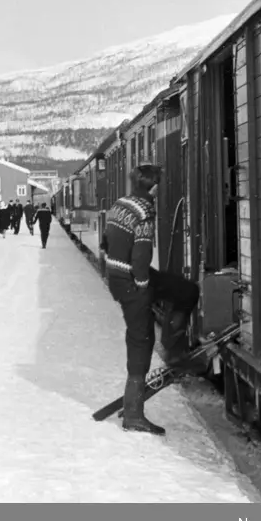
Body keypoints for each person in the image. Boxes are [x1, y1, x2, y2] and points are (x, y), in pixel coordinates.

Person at [104, 163, 201, 436]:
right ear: (154, 187)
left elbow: (105, 241)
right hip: (133, 281)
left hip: (119, 275)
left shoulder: (119, 205)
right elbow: (141, 257)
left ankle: (174, 349)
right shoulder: (145, 211)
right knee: (141, 338)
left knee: (185, 290)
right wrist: (144, 288)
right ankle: (133, 414)